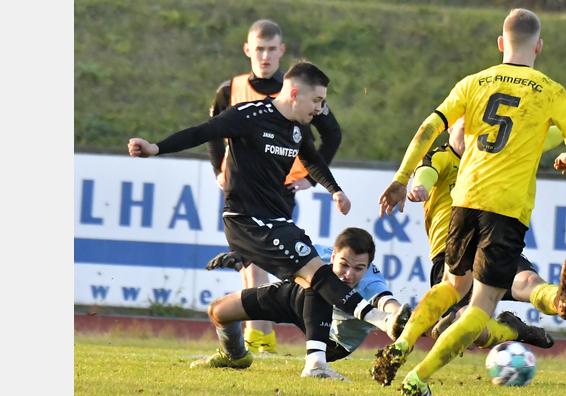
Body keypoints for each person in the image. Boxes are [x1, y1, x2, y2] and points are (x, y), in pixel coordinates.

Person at [373, 8, 566, 396]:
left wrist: (400, 178)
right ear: (539, 46)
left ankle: (399, 346)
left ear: (501, 43)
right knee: (480, 307)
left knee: (451, 285)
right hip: (505, 209)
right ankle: (417, 379)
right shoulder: (550, 90)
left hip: (465, 201)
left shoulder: (474, 82)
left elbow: (430, 127)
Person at [128, 61, 406, 378]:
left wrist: (334, 190)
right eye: (317, 101)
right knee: (317, 273)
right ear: (295, 93)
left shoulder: (298, 129)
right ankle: (379, 322)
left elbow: (312, 161)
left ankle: (255, 356)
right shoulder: (249, 115)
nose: (320, 109)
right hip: (246, 219)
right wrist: (156, 147)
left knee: (308, 276)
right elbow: (203, 132)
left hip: (276, 221)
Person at [411, 114, 566, 345]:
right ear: (450, 128)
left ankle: (559, 299)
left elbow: (535, 139)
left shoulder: (492, 158)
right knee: (468, 325)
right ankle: (512, 331)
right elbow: (426, 172)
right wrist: (419, 188)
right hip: (452, 255)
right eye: (465, 127)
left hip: (489, 241)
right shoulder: (441, 156)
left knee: (527, 280)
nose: (471, 135)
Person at [208, 19, 343, 355]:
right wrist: (217, 170)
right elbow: (212, 131)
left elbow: (332, 134)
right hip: (240, 184)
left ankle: (259, 336)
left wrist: (311, 177)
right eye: (259, 49)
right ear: (248, 50)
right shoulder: (230, 89)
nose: (265, 56)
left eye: (271, 49)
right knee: (251, 264)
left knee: (261, 264)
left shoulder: (298, 91)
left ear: (281, 51)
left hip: (279, 188)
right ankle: (261, 334)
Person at [201, 227, 411, 379]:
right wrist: (243, 257)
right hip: (297, 299)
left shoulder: (372, 280)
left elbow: (387, 302)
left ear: (368, 266)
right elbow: (276, 253)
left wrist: (396, 316)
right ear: (333, 255)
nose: (349, 274)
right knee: (219, 311)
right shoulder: (319, 254)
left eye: (358, 268)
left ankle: (316, 364)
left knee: (320, 282)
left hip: (332, 342)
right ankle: (236, 356)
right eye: (344, 264)